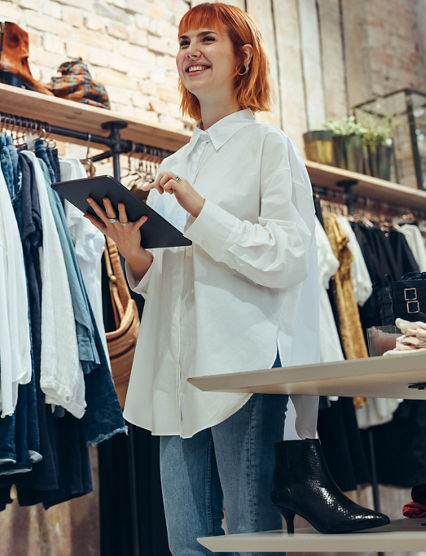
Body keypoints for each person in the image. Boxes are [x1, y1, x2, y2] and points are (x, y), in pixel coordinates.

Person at [85, 3, 389, 554]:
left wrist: (200, 209)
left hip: (239, 363)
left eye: (207, 39)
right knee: (184, 542)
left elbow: (290, 255)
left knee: (251, 537)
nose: (191, 52)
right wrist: (134, 255)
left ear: (242, 58)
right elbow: (173, 276)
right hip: (174, 371)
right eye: (183, 42)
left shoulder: (269, 147)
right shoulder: (178, 160)